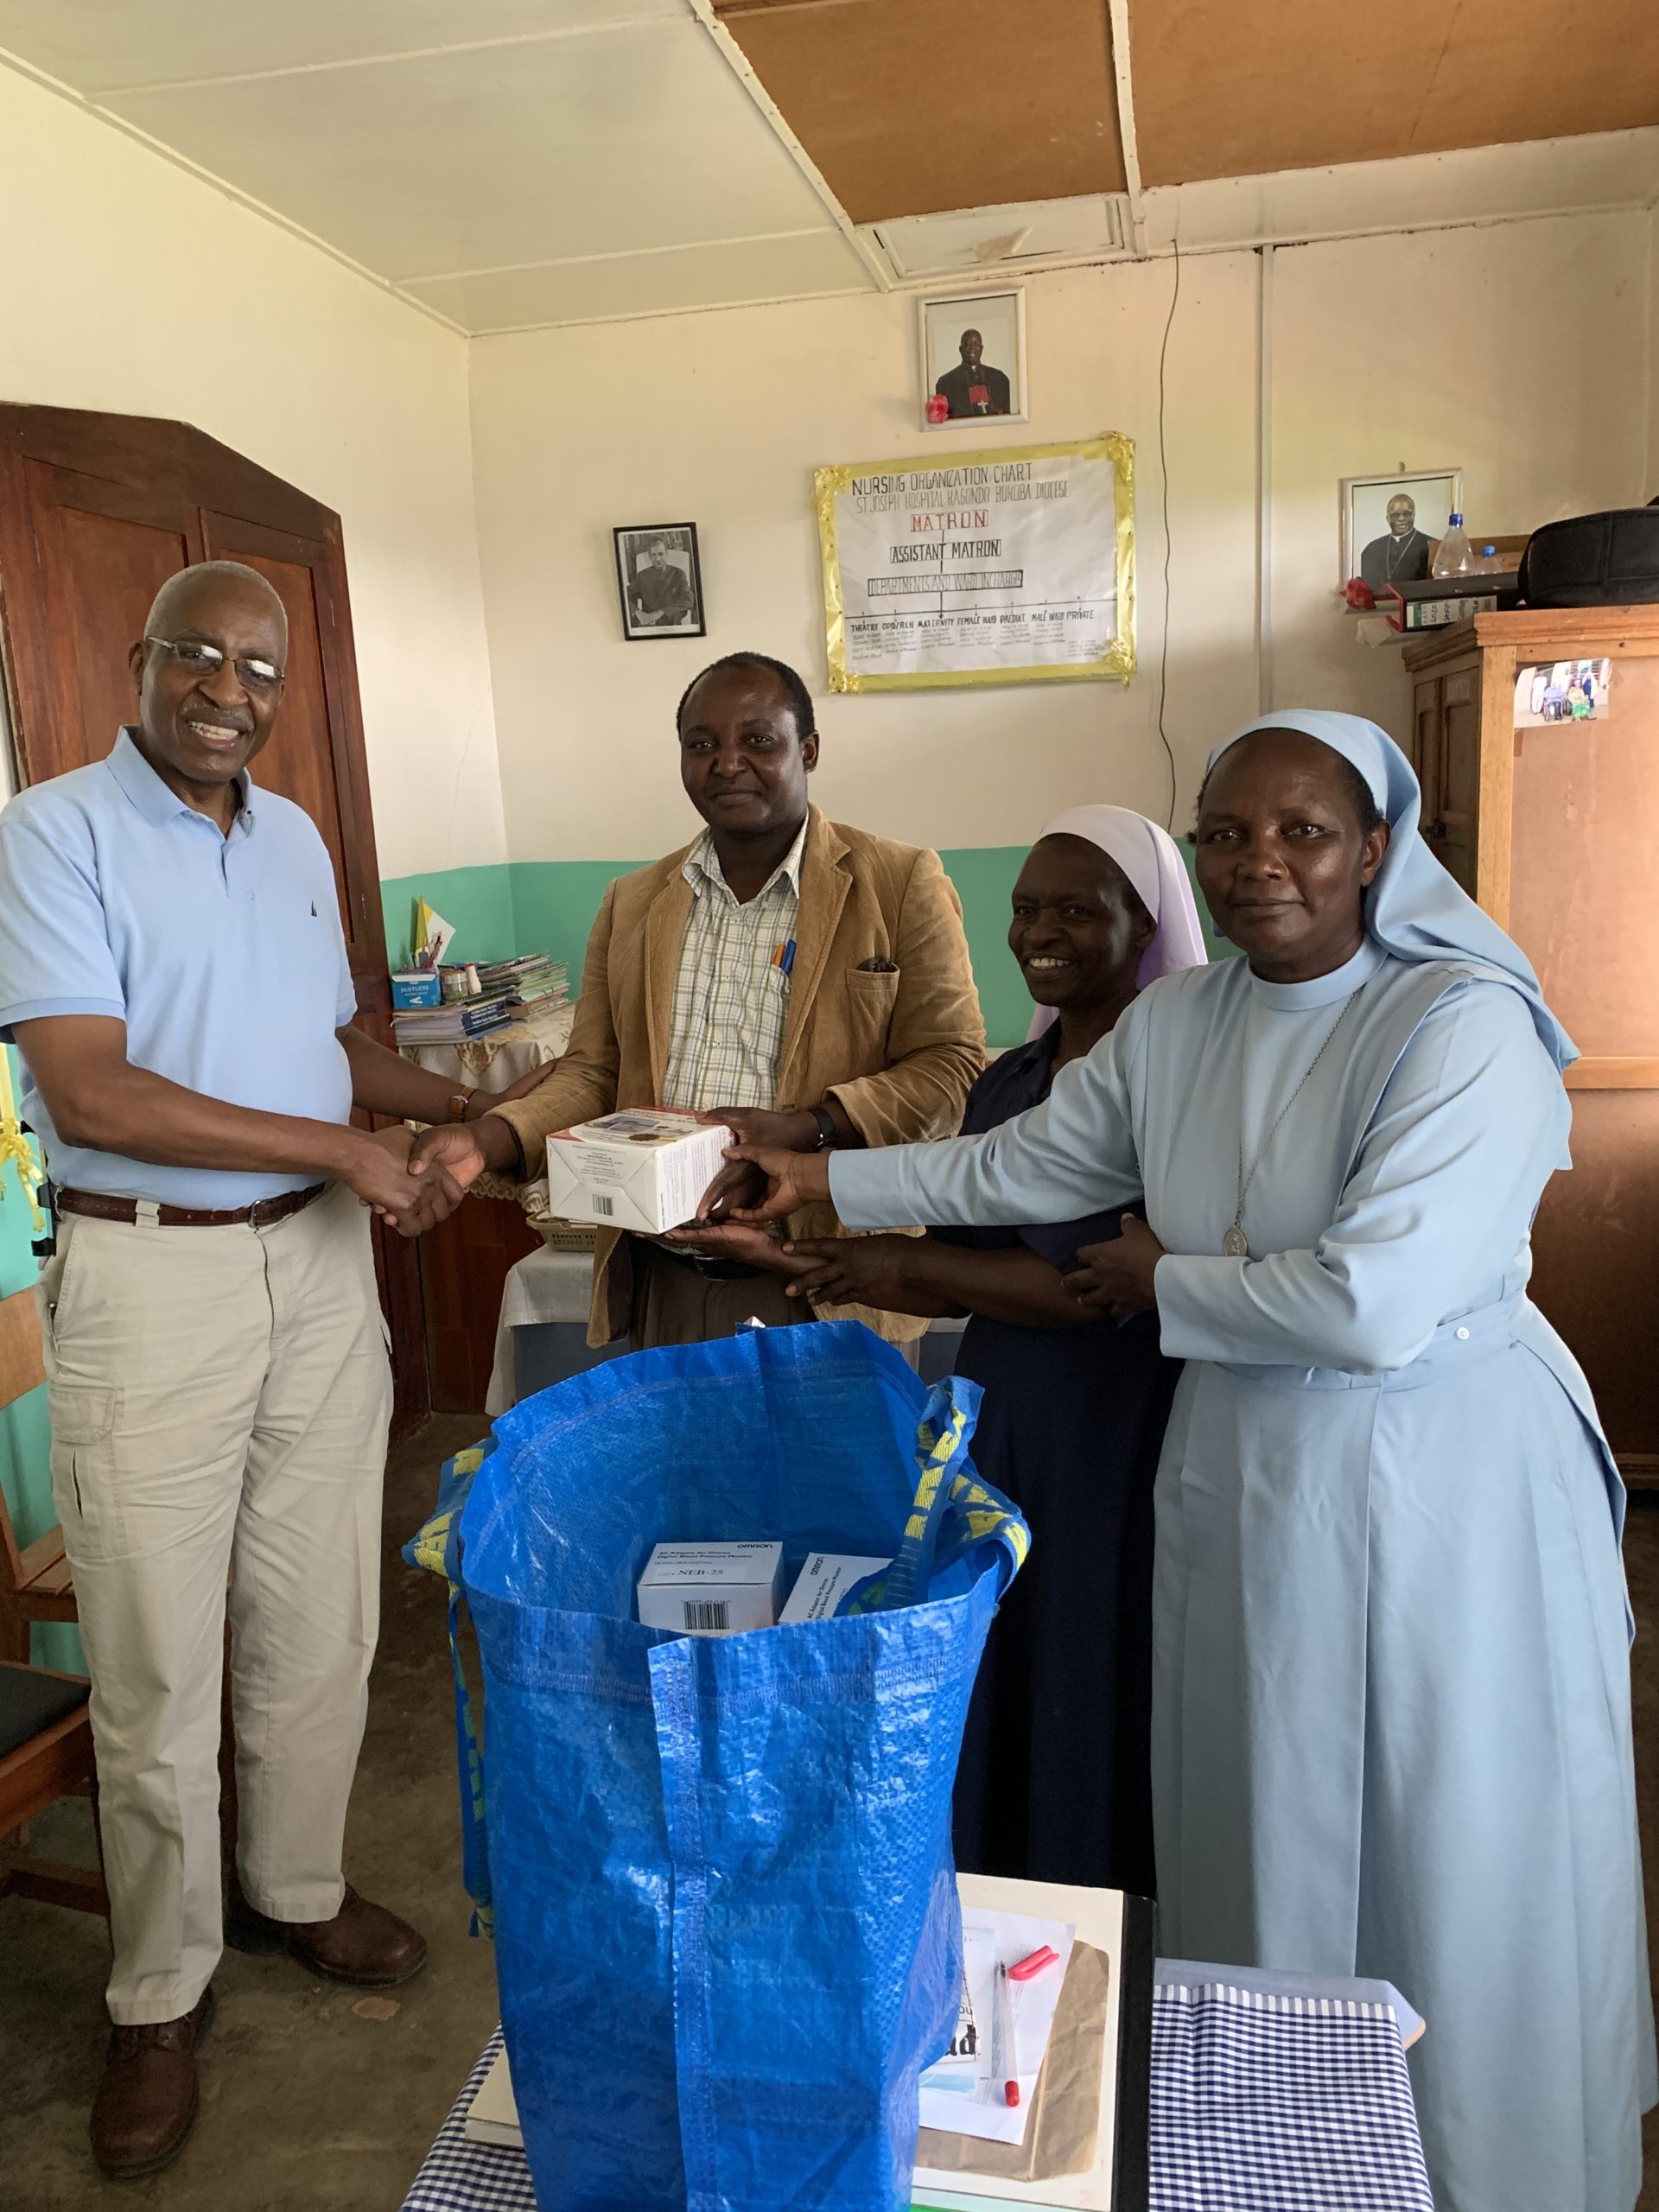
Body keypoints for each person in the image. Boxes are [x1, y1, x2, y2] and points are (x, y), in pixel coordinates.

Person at [727, 710, 1655, 2212]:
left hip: (1440, 1476)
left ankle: (1482, 2154)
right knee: (1258, 1801)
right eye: (1226, 833)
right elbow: (1023, 1165)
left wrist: (1165, 1277)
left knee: (1445, 1822)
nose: (1258, 865)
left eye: (1301, 832)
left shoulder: (1457, 1023)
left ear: (1376, 850)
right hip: (1243, 1462)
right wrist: (822, 1179)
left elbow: (1370, 1304)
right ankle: (1276, 2145)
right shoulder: (1185, 1023)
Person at [0, 562, 541, 2179]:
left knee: (322, 1614)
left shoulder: (295, 835)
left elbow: (330, 1047)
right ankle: (159, 1992)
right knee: (162, 1653)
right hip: (149, 1266)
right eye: (199, 656)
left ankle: (296, 1889)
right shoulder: (53, 833)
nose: (229, 687)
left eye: (259, 665)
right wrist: (349, 1147)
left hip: (313, 1267)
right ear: (138, 658)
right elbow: (90, 1092)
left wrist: (446, 1106)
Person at [780, 808, 1206, 1893]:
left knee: (1089, 1655)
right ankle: (1008, 1892)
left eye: (1078, 907)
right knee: (1008, 1655)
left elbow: (1080, 1290)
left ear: (1147, 925)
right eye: (1024, 907)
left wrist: (887, 1269)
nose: (1040, 931)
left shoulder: (1170, 1089)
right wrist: (825, 1247)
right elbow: (956, 1228)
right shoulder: (1012, 1079)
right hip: (1007, 1411)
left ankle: (1102, 1898)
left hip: (1111, 1425)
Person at [410, 652, 983, 1353]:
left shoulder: (897, 883)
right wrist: (484, 1137)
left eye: (759, 741)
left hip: (829, 1278)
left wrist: (809, 1127)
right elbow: (593, 1073)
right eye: (702, 745)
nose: (727, 764)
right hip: (664, 1274)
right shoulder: (634, 903)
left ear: (807, 750)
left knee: (830, 1467)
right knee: (679, 1465)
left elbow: (950, 1065)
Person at [1359, 492, 1433, 589]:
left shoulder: (1431, 545)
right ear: (1387, 519)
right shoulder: (1372, 549)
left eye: (1407, 514)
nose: (1401, 518)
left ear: (1414, 515)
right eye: (1395, 515)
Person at [934, 328, 1012, 419]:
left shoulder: (999, 378)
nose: (972, 348)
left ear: (982, 348)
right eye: (967, 344)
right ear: (960, 349)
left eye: (976, 344)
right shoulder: (946, 382)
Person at [628, 536, 695, 627]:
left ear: (667, 554)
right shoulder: (642, 576)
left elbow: (688, 601)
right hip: (649, 625)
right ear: (650, 557)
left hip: (672, 624)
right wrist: (638, 613)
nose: (658, 559)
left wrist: (659, 613)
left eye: (661, 554)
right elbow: (625, 596)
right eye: (653, 555)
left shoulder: (678, 574)